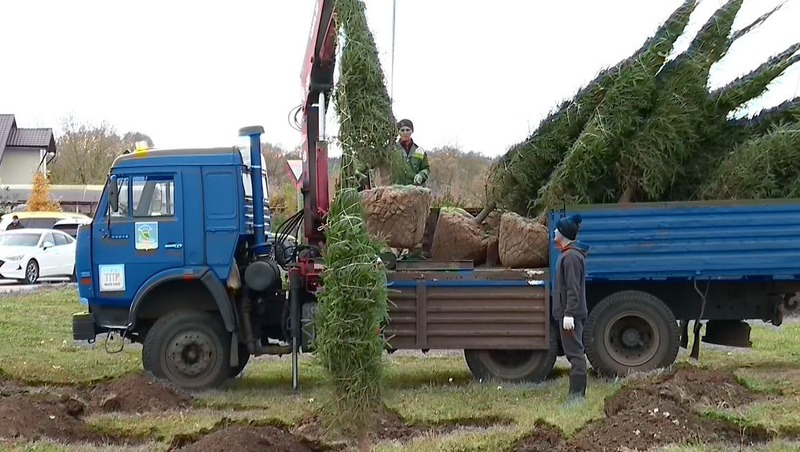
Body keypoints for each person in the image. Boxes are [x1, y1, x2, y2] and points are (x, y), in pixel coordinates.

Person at [552, 214, 589, 400]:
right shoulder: (567, 254)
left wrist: (569, 313)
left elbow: (573, 289)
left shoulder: (571, 258)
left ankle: (577, 397)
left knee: (575, 354)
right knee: (573, 353)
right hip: (569, 313)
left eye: (557, 229)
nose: (554, 231)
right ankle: (575, 395)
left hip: (571, 315)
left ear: (564, 234)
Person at [394, 119, 430, 187]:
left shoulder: (420, 151)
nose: (405, 133)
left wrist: (421, 175)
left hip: (415, 190)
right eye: (402, 130)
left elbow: (426, 169)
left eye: (408, 130)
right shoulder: (392, 150)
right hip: (396, 192)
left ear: (412, 131)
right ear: (398, 132)